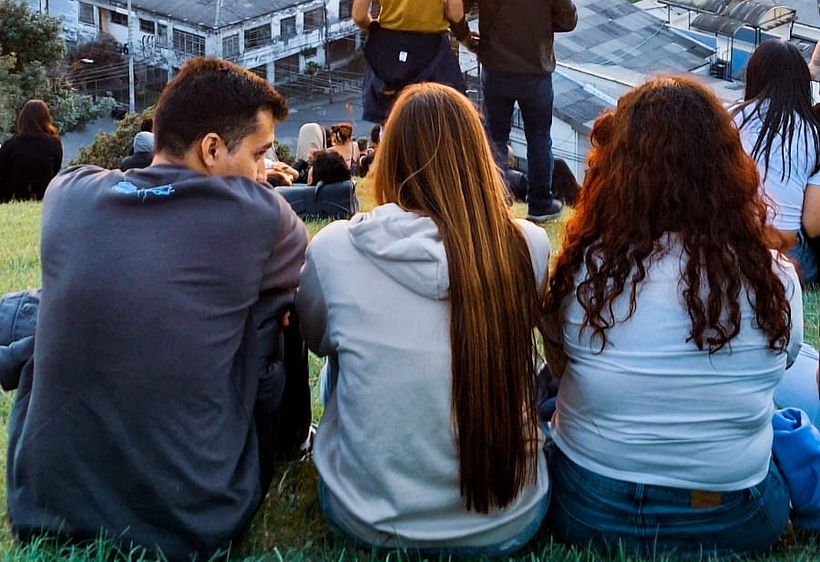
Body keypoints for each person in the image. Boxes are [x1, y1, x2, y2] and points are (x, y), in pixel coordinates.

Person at [7, 57, 309, 562]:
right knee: (277, 311)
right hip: (193, 517)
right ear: (212, 149)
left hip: (42, 503)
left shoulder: (67, 194)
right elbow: (309, 301)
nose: (263, 172)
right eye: (259, 154)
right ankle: (295, 443)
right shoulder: (260, 213)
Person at [545, 77, 805, 557]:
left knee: (548, 395)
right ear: (729, 167)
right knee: (785, 417)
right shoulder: (776, 278)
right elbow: (781, 365)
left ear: (618, 169)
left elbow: (561, 367)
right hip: (731, 512)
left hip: (590, 508)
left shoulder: (586, 268)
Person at [296, 84, 551, 553]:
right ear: (478, 158)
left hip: (370, 519)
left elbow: (315, 340)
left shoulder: (334, 249)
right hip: (510, 520)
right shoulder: (528, 246)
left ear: (389, 160)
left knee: (337, 363)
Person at [452, 0, 577, 223]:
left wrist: (468, 38)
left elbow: (454, 10)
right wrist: (541, 26)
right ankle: (539, 203)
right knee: (539, 137)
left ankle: (494, 200)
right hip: (536, 72)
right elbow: (569, 20)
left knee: (495, 136)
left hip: (496, 69)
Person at [734, 41, 820, 283]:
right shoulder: (812, 133)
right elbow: (813, 224)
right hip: (786, 257)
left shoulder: (728, 119)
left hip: (730, 244)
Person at [0, 100, 62, 203]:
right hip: (44, 194)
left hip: (14, 194)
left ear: (22, 118)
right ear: (46, 119)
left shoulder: (11, 144)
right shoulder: (54, 143)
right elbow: (56, 168)